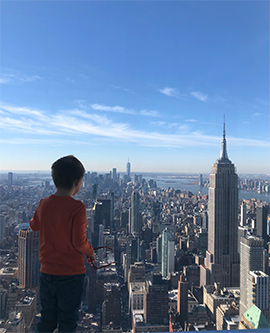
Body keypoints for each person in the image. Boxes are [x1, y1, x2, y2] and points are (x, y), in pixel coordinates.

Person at [30, 155, 95, 333]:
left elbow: (34, 225)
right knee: (67, 322)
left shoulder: (44, 204)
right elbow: (79, 242)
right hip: (71, 275)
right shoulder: (78, 207)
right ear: (78, 182)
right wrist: (90, 253)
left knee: (47, 320)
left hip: (47, 273)